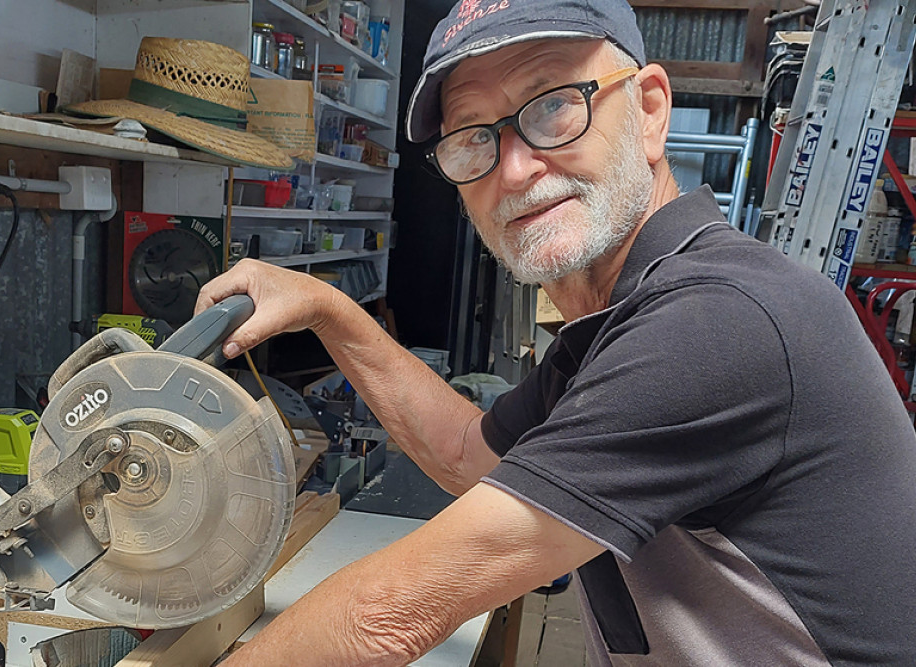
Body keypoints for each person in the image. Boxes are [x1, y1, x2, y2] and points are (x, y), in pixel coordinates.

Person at [204, 1, 916, 664]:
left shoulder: (717, 322)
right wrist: (327, 307)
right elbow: (466, 452)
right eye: (473, 138)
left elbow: (390, 613)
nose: (513, 169)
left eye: (553, 107)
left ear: (649, 112)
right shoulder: (618, 320)